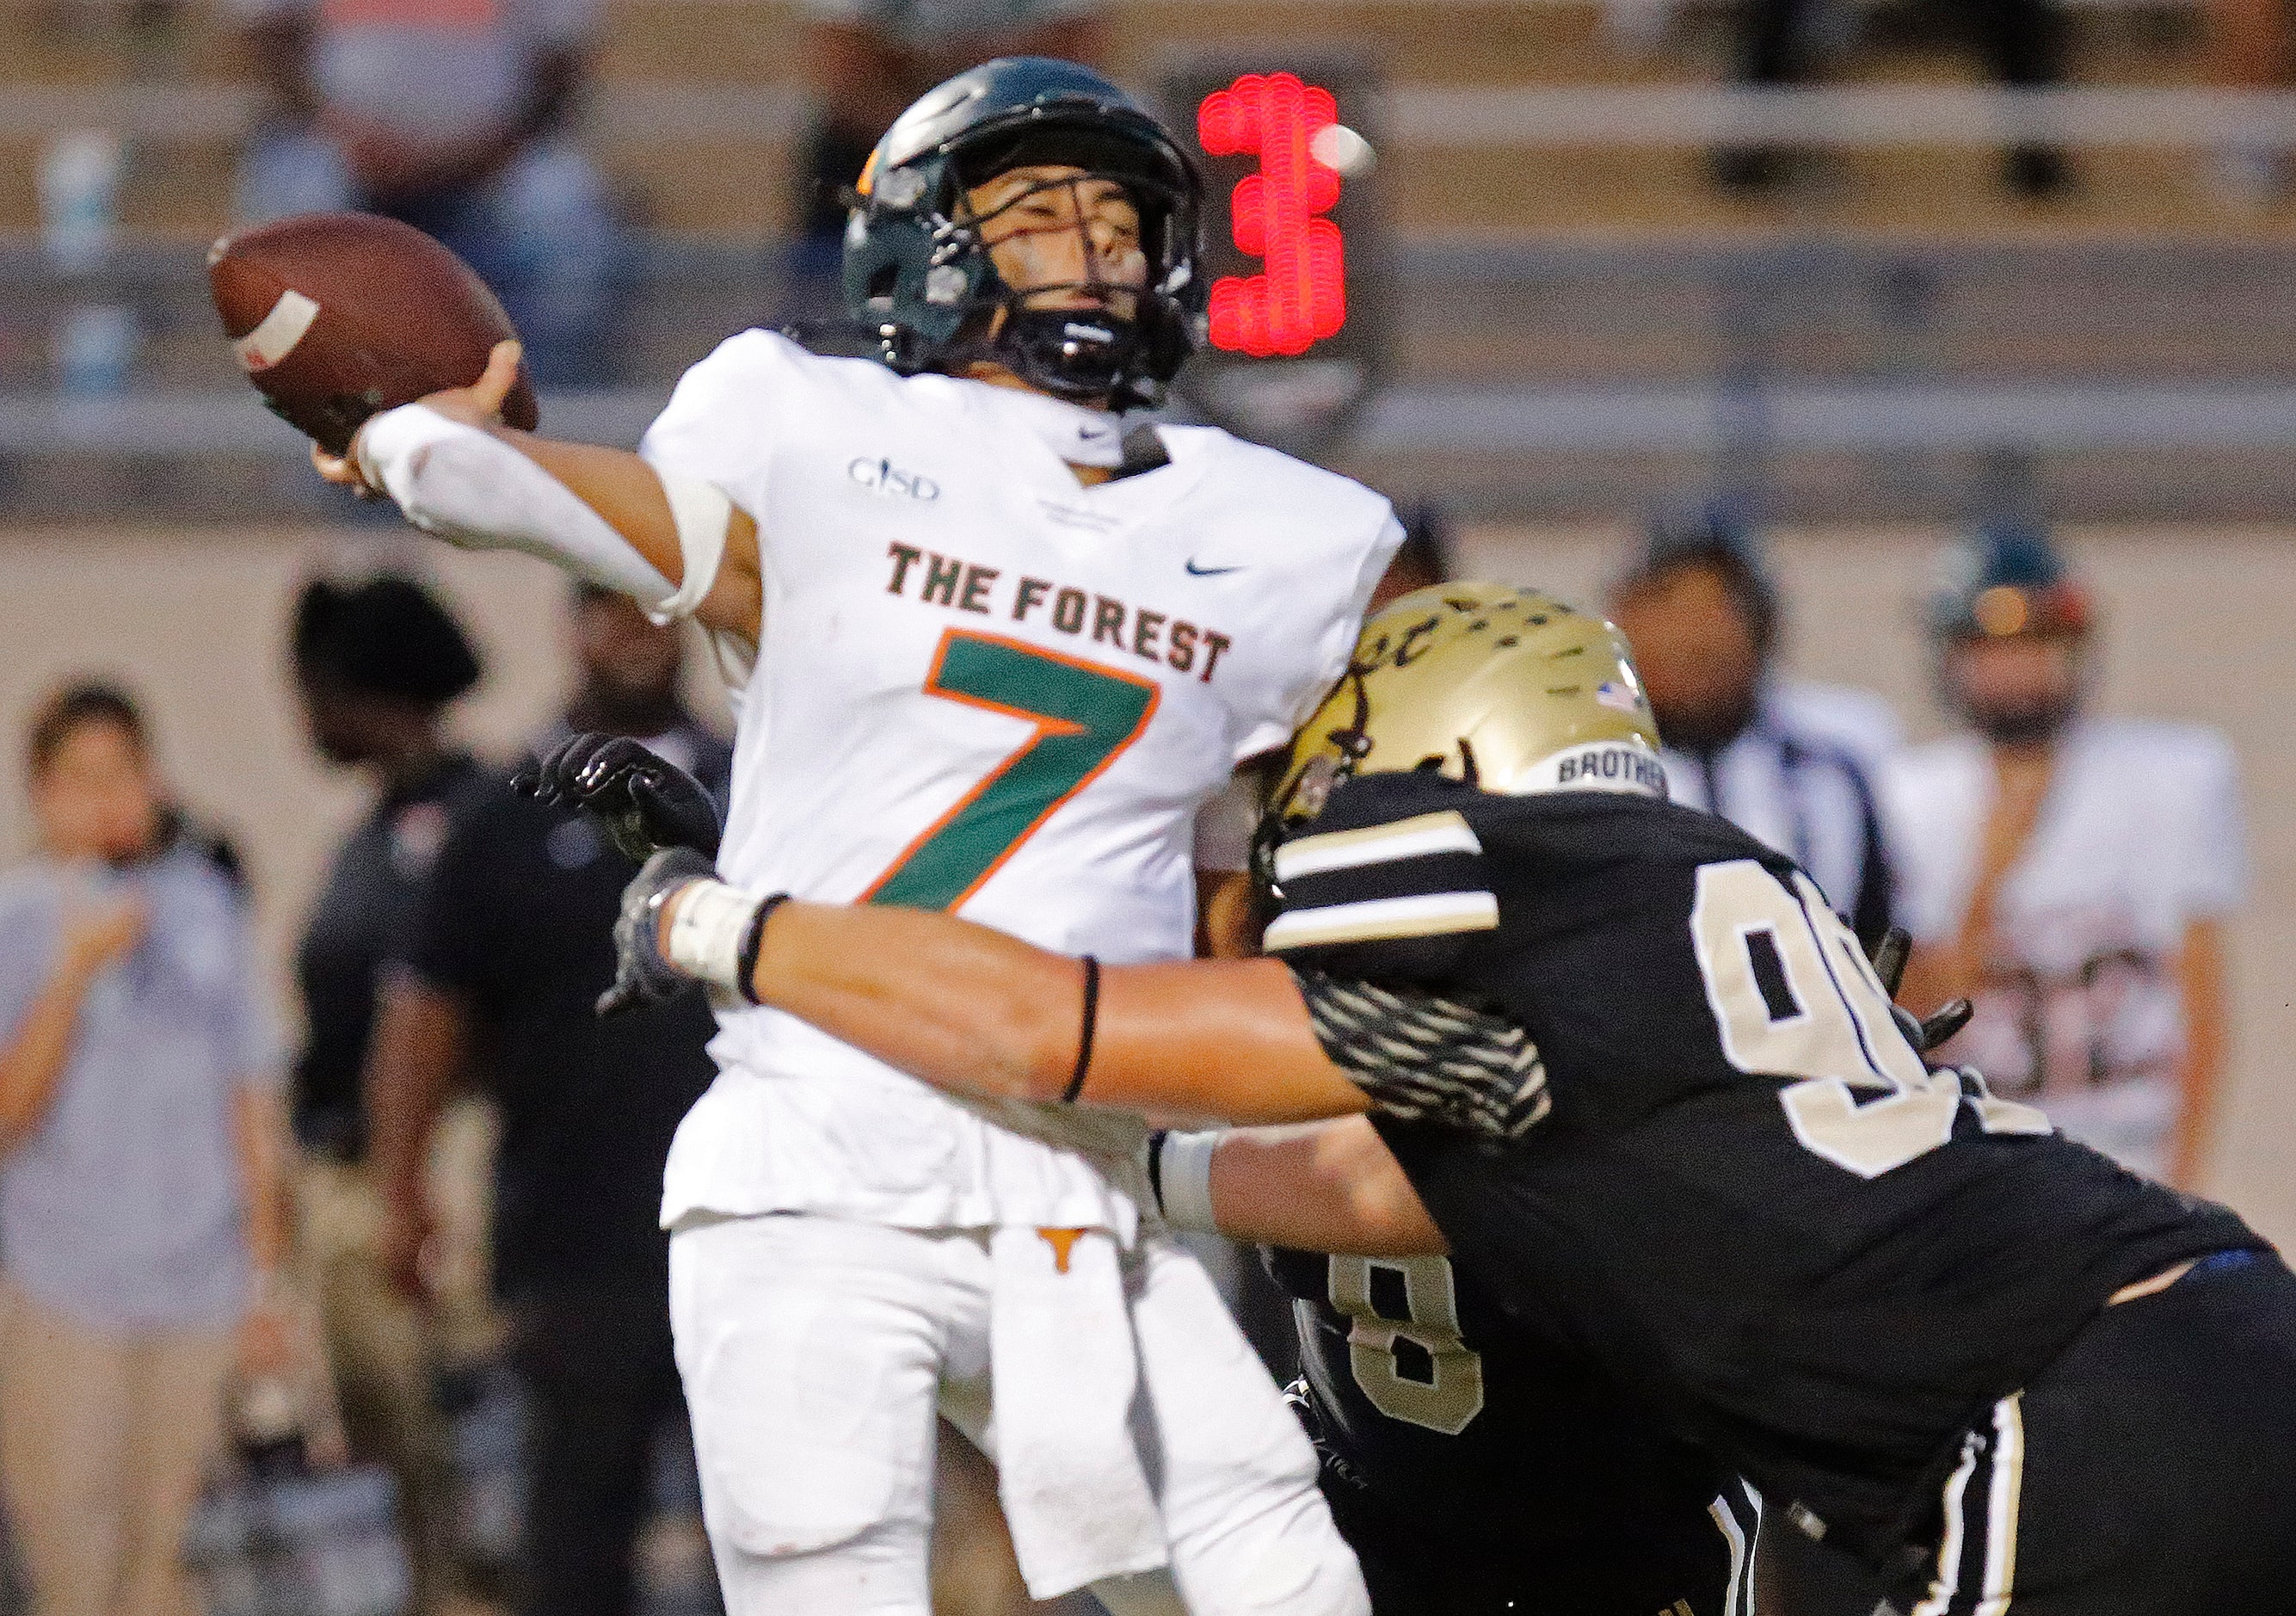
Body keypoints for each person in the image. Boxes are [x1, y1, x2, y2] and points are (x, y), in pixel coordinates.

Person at [582, 582, 2296, 1616]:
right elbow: (1382, 1177)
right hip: (2192, 1340)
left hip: (2052, 1423)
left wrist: (730, 921)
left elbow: (1051, 1026)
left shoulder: (1498, 869)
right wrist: (1131, 1172)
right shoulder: (1669, 903)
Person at [302, 57, 1400, 1616]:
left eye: (1114, 219)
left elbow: (1232, 891)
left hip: (1091, 1184)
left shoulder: (1286, 532)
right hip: (818, 1160)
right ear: (931, 246)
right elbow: (574, 510)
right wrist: (421, 439)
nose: (1090, 250)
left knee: (1288, 1592)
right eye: (1036, 216)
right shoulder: (806, 424)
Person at [366, 584, 730, 1616]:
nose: (634, 633)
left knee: (773, 1531)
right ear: (569, 623)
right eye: (607, 609)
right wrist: (404, 1190)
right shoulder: (508, 807)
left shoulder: (760, 786)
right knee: (576, 1540)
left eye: (653, 607)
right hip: (574, 1240)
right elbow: (428, 1007)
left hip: (754, 1228)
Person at [0, 681, 294, 1616]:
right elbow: (9, 1113)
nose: (106, 797)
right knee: (76, 1572)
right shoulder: (16, 921)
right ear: (40, 792)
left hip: (201, 1292)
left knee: (178, 1574)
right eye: (80, 779)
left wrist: (266, 1283)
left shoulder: (203, 905)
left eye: (122, 772)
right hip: (64, 1294)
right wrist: (76, 969)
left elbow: (251, 1105)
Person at [1884, 524, 2245, 1190]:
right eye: (1991, 650)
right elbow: (1914, 1018)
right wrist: (1987, 875)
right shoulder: (1906, 798)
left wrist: (2184, 1179)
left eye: (2035, 645)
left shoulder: (2171, 777)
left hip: (2128, 1149)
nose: (2015, 671)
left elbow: (2199, 999)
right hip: (1984, 1160)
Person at [290, 572, 493, 1613]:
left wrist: (416, 1180)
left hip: (417, 1185)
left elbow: (459, 1025)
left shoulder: (457, 826)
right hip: (355, 1174)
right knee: (400, 1479)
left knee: (465, 1464)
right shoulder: (379, 832)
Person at [230, 0, 623, 381]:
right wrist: (336, 129)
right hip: (337, 147)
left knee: (560, 207)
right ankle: (309, 407)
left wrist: (483, 151)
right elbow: (267, 34)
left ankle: (544, 406)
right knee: (297, 197)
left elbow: (563, 54)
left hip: (501, 157)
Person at [1609, 504, 1899, 950]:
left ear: (1761, 626)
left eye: (1715, 607)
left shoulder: (1833, 769)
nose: (1690, 637)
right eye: (1665, 606)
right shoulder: (1585, 776)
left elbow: (1889, 939)